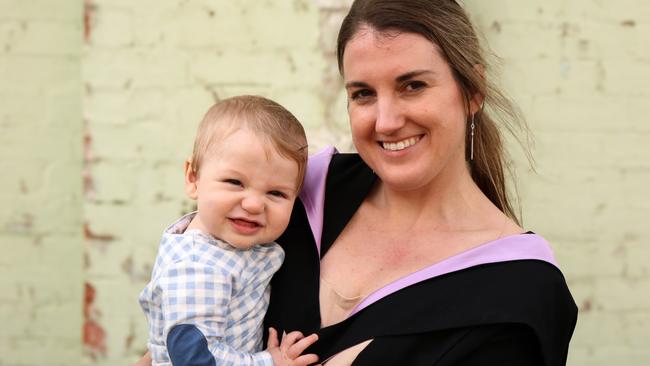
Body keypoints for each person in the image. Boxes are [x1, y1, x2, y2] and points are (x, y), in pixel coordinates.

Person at [137, 1, 577, 365]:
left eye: (413, 86)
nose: (386, 121)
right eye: (363, 93)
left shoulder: (516, 293)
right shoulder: (293, 197)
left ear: (473, 90)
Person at [138, 95, 319, 366]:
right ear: (193, 178)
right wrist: (270, 362)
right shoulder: (197, 268)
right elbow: (195, 359)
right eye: (235, 182)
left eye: (276, 193)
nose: (254, 203)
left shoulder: (224, 247)